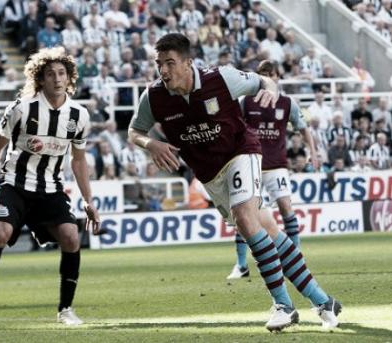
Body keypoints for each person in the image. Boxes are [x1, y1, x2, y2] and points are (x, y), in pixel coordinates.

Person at [127, 34, 340, 331]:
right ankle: (323, 301)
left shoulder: (221, 79)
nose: (163, 70)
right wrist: (150, 143)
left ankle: (283, 305)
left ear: (189, 63)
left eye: (170, 63)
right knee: (267, 230)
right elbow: (134, 131)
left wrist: (271, 88)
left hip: (242, 151)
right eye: (159, 64)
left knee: (244, 215)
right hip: (211, 175)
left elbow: (263, 81)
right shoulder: (153, 97)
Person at [0, 47, 101, 328]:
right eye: (50, 74)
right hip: (16, 184)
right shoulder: (22, 108)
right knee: (0, 233)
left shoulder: (79, 115)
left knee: (71, 237)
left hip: (51, 188)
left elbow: (79, 161)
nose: (57, 79)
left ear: (69, 77)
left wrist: (88, 200)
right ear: (40, 79)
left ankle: (66, 310)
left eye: (62, 73)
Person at [228, 60, 320, 279]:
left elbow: (303, 128)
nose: (269, 77)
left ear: (278, 78)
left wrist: (313, 152)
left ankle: (296, 257)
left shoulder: (288, 103)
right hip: (250, 164)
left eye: (272, 74)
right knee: (243, 213)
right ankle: (241, 265)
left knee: (286, 206)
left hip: (277, 164)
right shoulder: (245, 102)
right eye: (263, 73)